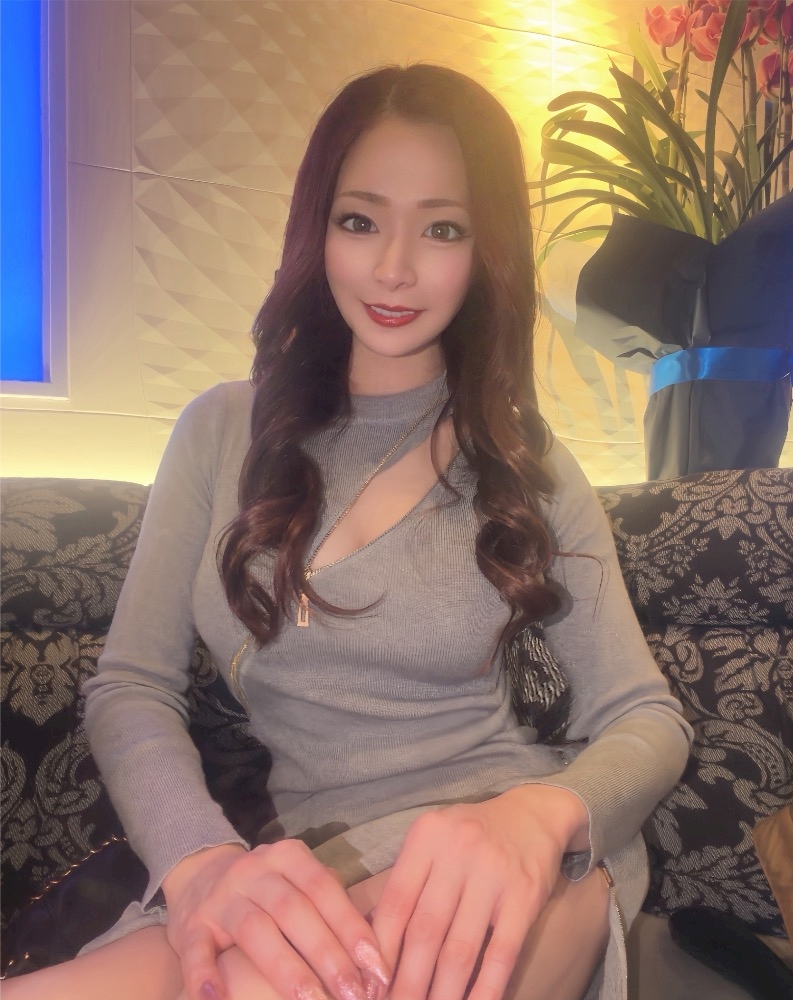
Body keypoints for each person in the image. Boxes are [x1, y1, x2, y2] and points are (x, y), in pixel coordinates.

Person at [6, 64, 691, 1000]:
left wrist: (541, 816)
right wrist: (200, 863)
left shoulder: (524, 460)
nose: (393, 267)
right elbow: (131, 685)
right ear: (315, 229)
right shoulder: (220, 430)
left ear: (486, 247)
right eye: (360, 220)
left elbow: (645, 716)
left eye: (442, 228)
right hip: (299, 863)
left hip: (505, 855)